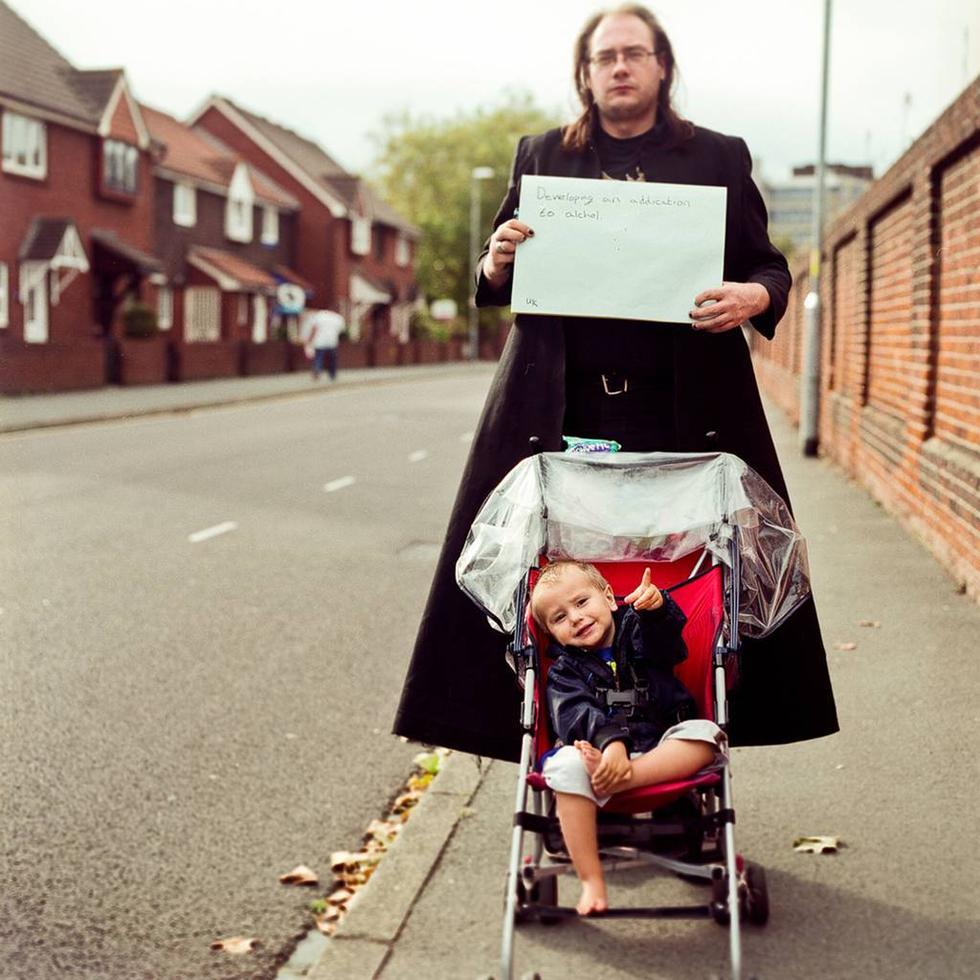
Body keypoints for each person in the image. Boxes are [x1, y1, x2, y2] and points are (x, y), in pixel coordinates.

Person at [394, 4, 838, 761]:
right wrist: (496, 261)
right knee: (542, 571)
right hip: (555, 406)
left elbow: (768, 265)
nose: (620, 67)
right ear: (586, 74)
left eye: (635, 53)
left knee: (690, 582)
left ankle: (682, 743)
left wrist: (756, 297)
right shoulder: (540, 155)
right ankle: (555, 744)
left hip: (687, 412)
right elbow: (495, 271)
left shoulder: (719, 157)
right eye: (606, 58)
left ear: (663, 66)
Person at [532, 560, 726, 915]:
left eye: (581, 602)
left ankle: (626, 779)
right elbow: (574, 715)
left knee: (706, 734)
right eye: (559, 618)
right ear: (550, 634)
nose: (575, 618)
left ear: (609, 597)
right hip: (597, 756)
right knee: (563, 765)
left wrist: (657, 611)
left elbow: (668, 648)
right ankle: (591, 880)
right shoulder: (564, 672)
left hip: (659, 749)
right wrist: (613, 744)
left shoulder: (638, 629)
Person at [303, 308, 344, 381]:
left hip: (319, 341)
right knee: (332, 359)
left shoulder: (319, 316)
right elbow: (341, 331)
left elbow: (314, 329)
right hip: (332, 341)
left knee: (319, 358)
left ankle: (317, 370)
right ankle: (332, 375)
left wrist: (309, 340)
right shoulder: (338, 318)